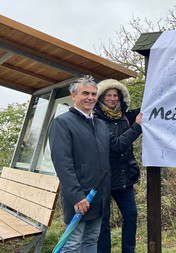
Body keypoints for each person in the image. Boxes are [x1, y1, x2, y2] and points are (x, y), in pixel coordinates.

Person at [49, 76, 142, 252]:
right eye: (85, 93)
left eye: (93, 93)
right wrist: (77, 195)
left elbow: (116, 146)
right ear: (74, 96)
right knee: (73, 243)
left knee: (92, 240)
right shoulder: (62, 123)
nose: (90, 97)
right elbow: (63, 164)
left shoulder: (99, 124)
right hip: (80, 197)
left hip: (100, 195)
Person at [94, 79, 141, 253]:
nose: (112, 99)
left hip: (124, 178)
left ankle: (129, 251)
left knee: (131, 216)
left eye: (115, 95)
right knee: (103, 222)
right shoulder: (96, 120)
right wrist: (137, 126)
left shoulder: (125, 117)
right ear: (101, 98)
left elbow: (147, 110)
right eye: (108, 95)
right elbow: (116, 145)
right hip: (103, 180)